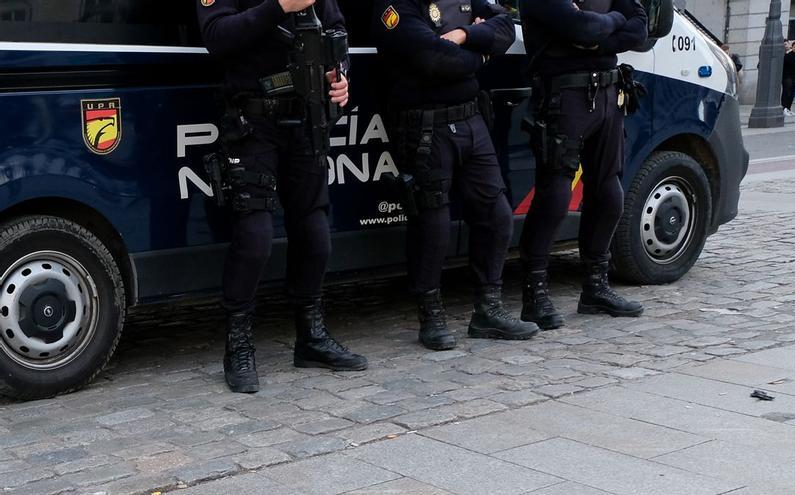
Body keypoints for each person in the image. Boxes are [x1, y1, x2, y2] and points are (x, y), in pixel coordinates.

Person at [197, 0, 368, 394]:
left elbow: (337, 32)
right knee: (255, 238)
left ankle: (311, 337)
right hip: (252, 122)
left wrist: (340, 77)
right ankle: (238, 345)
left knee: (316, 234)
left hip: (306, 120)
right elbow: (217, 38)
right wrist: (279, 6)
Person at [373, 0, 540, 350]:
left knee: (496, 214)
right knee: (432, 224)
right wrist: (481, 55)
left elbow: (505, 26)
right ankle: (430, 316)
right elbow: (432, 60)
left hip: (470, 118)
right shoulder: (395, 5)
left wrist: (466, 34)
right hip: (424, 127)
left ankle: (488, 310)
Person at [517, 0, 648, 329]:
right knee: (555, 196)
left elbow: (640, 27)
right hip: (564, 97)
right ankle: (534, 295)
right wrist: (609, 22)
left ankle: (595, 287)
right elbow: (583, 27)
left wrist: (596, 37)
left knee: (609, 193)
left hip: (608, 92)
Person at [782, 40, 795, 116]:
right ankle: (784, 108)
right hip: (787, 77)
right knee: (787, 92)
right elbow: (789, 62)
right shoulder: (789, 55)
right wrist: (794, 54)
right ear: (792, 47)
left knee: (792, 93)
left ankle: (788, 108)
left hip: (794, 77)